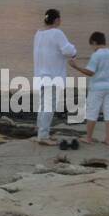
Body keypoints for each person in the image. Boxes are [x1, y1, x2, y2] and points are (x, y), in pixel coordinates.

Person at [32, 9, 76, 146]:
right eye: (60, 18)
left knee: (43, 104)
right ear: (56, 20)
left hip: (40, 74)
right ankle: (43, 136)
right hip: (53, 75)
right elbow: (68, 50)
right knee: (49, 106)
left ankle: (40, 131)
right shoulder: (57, 33)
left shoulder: (38, 33)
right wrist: (74, 52)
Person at [70, 31, 109, 145]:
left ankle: (88, 138)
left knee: (92, 112)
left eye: (92, 45)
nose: (92, 48)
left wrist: (76, 66)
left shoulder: (96, 55)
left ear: (94, 42)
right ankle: (108, 139)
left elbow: (90, 72)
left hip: (97, 88)